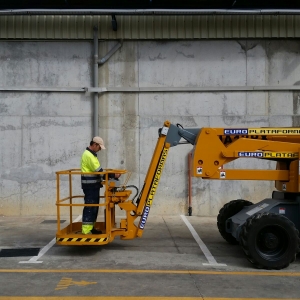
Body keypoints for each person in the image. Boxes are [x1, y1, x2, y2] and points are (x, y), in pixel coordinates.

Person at [80, 136, 121, 234]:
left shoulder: (91, 155)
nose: (99, 150)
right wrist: (113, 175)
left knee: (94, 207)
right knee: (90, 207)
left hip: (93, 186)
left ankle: (90, 228)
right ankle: (86, 231)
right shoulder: (89, 155)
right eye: (99, 148)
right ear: (95, 145)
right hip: (90, 186)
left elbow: (98, 171)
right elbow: (99, 171)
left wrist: (109, 176)